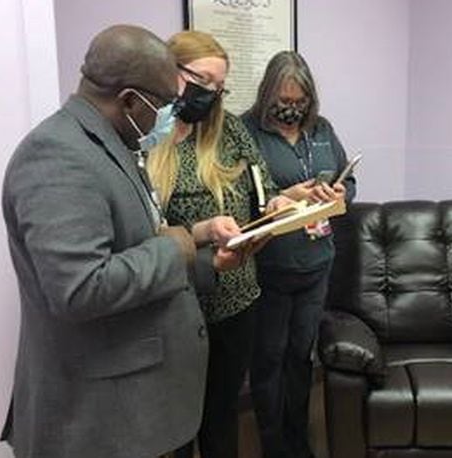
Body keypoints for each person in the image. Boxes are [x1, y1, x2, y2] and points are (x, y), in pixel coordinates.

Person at [0, 25, 234, 458]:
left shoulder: (111, 143)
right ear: (129, 99)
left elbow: (133, 243)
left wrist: (202, 251)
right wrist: (180, 245)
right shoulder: (57, 156)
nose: (169, 115)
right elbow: (79, 288)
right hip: (100, 420)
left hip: (140, 406)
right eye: (164, 104)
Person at [146, 31, 288, 458]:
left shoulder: (228, 130)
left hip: (236, 298)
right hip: (174, 303)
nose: (211, 94)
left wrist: (280, 204)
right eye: (203, 81)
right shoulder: (144, 136)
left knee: (222, 415)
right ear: (170, 71)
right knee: (175, 423)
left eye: (219, 87)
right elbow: (139, 234)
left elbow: (265, 188)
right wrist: (203, 234)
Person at [242, 51, 357, 458]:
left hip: (316, 264)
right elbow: (238, 200)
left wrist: (340, 191)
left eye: (299, 102)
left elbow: (350, 180)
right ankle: (273, 444)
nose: (292, 109)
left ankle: (298, 435)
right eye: (284, 101)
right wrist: (281, 198)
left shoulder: (322, 130)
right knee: (269, 357)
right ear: (267, 94)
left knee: (300, 355)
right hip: (269, 267)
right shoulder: (245, 132)